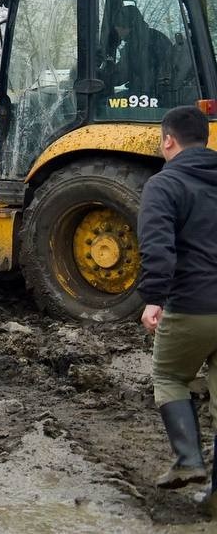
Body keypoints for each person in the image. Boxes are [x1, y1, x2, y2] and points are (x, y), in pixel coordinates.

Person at [137, 105, 217, 507]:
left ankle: (188, 461)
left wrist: (154, 298)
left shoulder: (164, 185)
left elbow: (157, 248)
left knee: (169, 375)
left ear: (169, 140)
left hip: (192, 305)